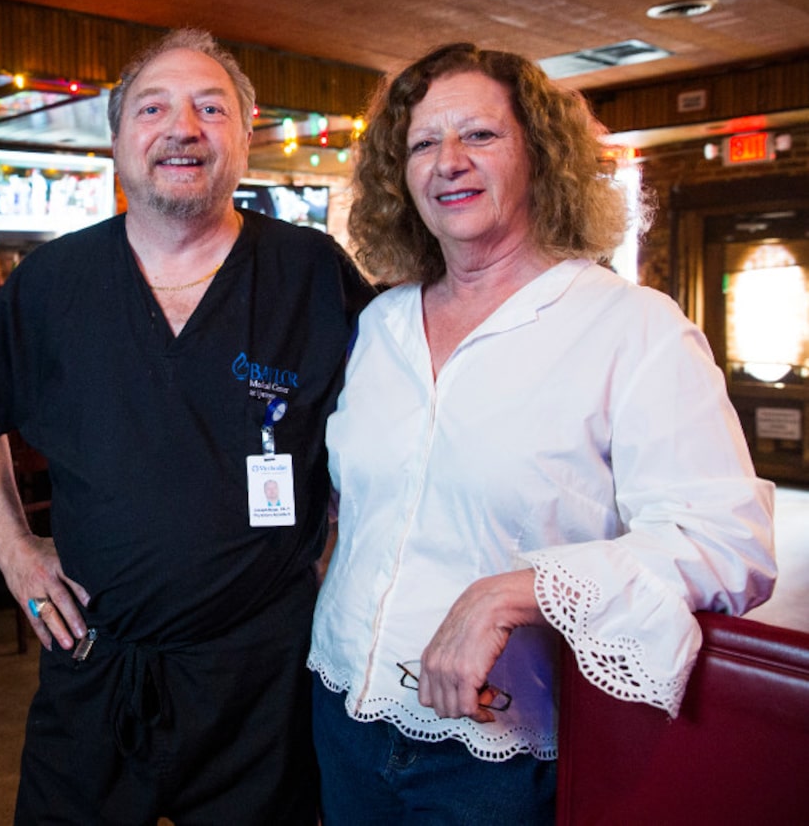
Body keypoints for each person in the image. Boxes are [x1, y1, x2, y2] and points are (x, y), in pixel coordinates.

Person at [307, 42, 777, 823]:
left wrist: (510, 594)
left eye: (479, 136)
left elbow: (729, 542)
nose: (447, 161)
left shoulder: (629, 328)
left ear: (540, 156)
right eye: (423, 142)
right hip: (339, 710)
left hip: (498, 754)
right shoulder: (379, 323)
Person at [0, 28, 372, 823]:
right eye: (153, 107)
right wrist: (12, 549)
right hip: (94, 665)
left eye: (210, 107)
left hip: (264, 681)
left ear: (246, 135)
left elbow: (397, 420)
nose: (182, 127)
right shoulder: (52, 282)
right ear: (116, 140)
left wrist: (350, 553)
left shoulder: (310, 271)